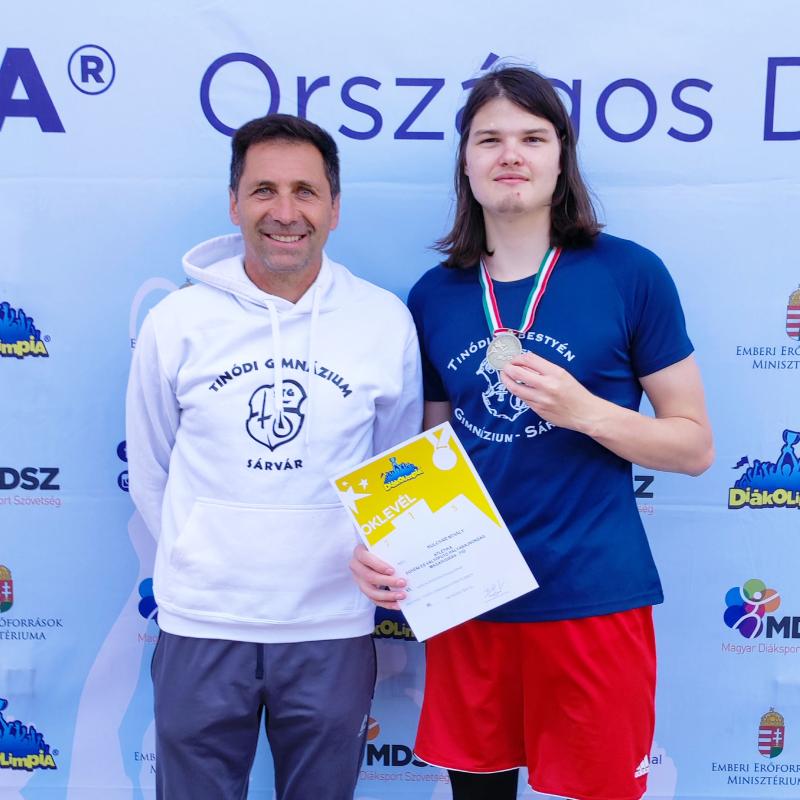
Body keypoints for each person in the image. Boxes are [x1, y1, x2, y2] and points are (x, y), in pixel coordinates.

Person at [350, 67, 713, 800]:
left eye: (532, 137)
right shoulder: (435, 294)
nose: (510, 154)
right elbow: (430, 455)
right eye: (490, 139)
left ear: (560, 156)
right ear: (465, 161)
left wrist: (584, 411)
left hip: (591, 599)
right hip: (468, 597)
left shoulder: (629, 273)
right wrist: (385, 542)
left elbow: (695, 446)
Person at [126, 113, 422, 800]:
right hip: (203, 624)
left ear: (334, 208)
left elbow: (396, 469)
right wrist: (202, 554)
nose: (285, 212)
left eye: (305, 191)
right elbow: (150, 468)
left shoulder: (383, 321)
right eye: (264, 190)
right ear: (234, 202)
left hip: (332, 626)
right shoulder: (177, 323)